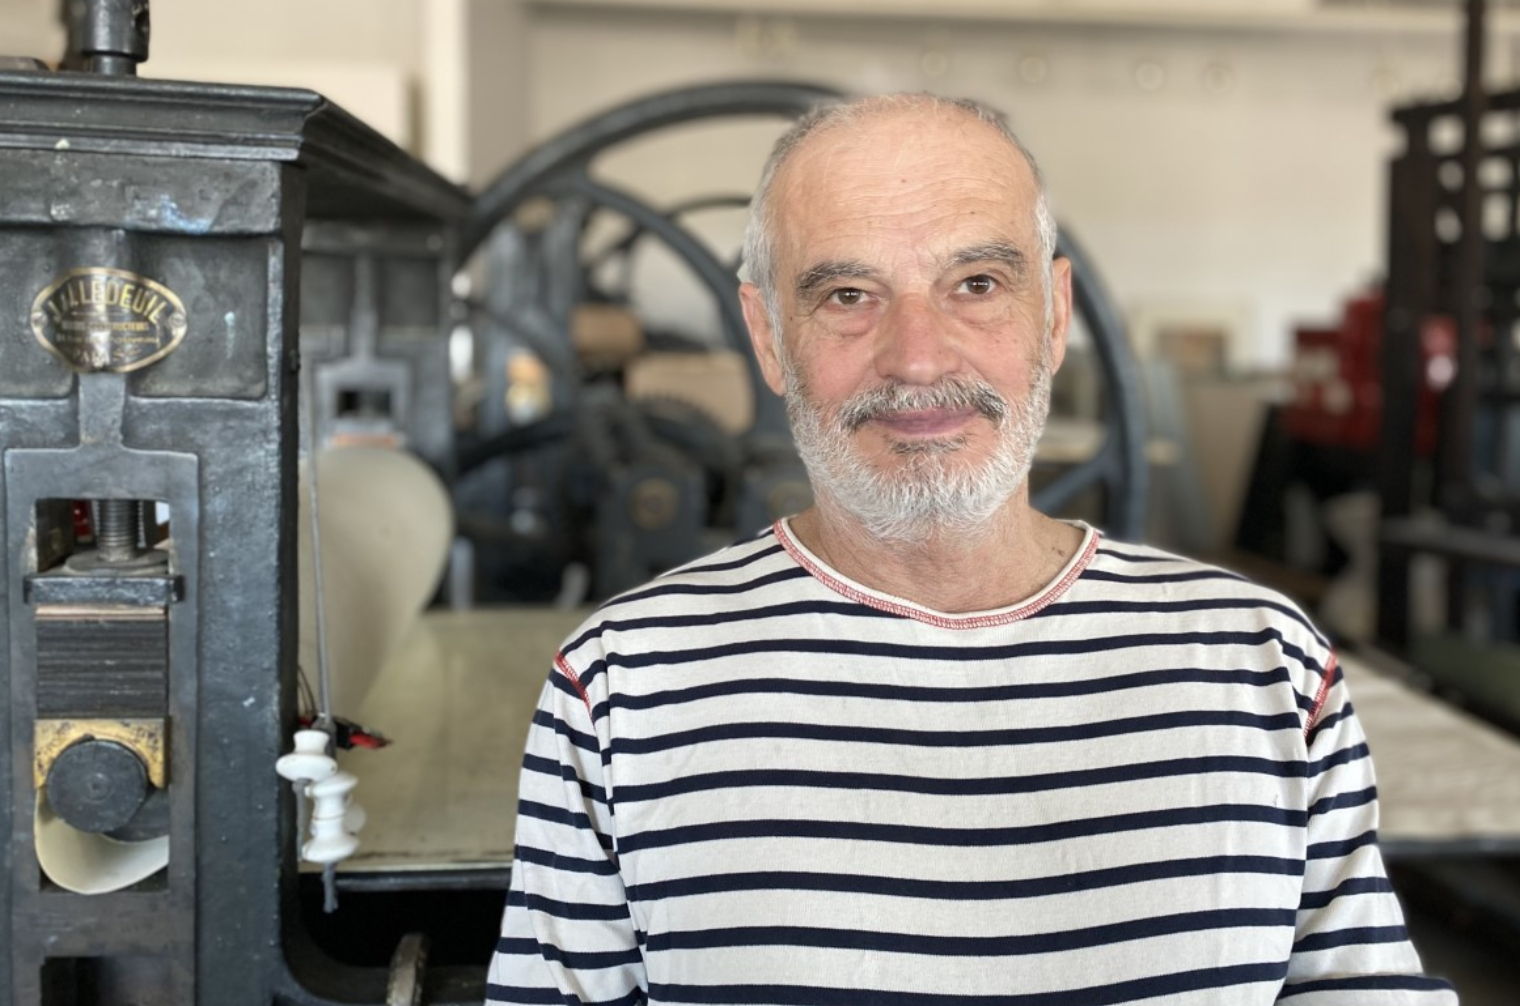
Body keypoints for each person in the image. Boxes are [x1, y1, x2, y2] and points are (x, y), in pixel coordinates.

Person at [487, 93, 1456, 1005]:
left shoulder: (1262, 665)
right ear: (768, 336)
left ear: (1054, 315)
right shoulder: (620, 685)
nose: (917, 357)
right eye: (847, 295)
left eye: (977, 284)